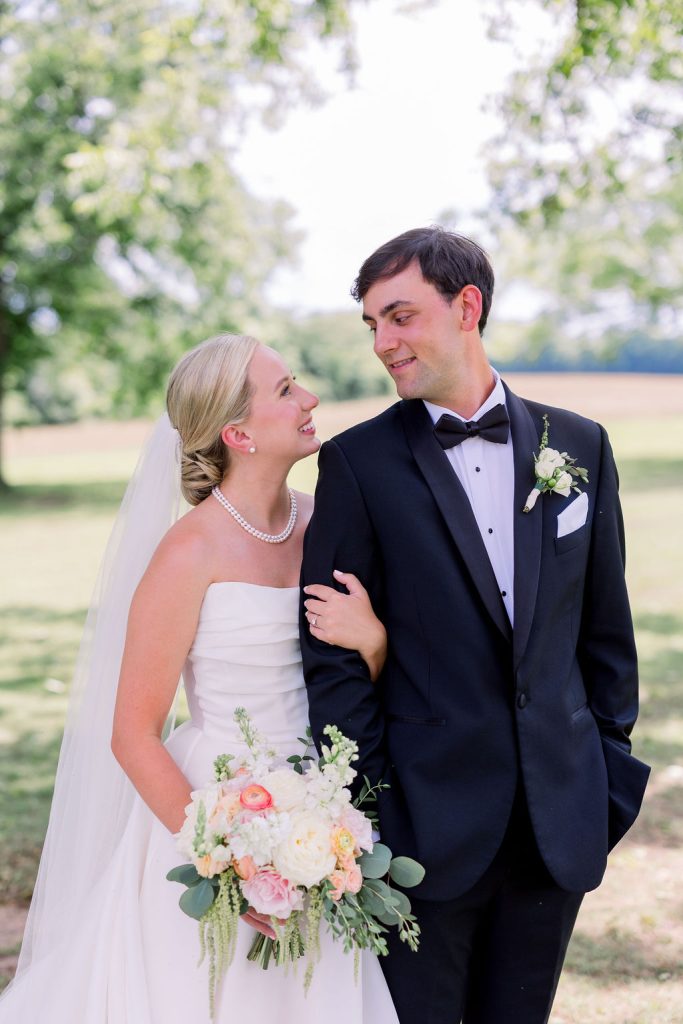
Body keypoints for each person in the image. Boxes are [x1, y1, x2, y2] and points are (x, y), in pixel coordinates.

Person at [300, 227, 651, 1024]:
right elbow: (330, 664)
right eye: (372, 326)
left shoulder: (581, 447)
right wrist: (371, 814)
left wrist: (604, 776)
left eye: (399, 317)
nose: (383, 344)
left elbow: (606, 635)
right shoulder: (357, 464)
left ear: (467, 306)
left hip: (556, 823)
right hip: (419, 833)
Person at [0, 333, 399, 1023]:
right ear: (237, 432)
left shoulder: (324, 521)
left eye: (297, 380)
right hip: (214, 808)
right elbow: (132, 733)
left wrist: (374, 642)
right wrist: (227, 859)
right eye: (284, 391)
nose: (309, 398)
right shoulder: (189, 553)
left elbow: (359, 675)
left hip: (322, 801)